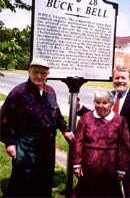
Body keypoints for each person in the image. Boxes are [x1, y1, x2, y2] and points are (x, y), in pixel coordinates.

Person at [0, 57, 75, 198]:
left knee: (45, 178)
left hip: (47, 145)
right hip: (26, 144)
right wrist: (9, 143)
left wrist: (64, 129)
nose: (39, 76)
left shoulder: (50, 91)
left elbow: (56, 113)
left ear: (48, 74)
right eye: (35, 72)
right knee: (24, 181)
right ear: (29, 71)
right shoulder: (19, 92)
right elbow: (3, 119)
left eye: (43, 73)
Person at [77, 65, 130, 198]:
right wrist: (80, 108)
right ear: (113, 80)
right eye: (117, 78)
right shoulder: (108, 96)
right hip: (108, 155)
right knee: (110, 190)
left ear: (129, 79)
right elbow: (99, 114)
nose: (120, 81)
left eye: (123, 78)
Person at [72, 89, 130, 198]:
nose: (100, 106)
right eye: (97, 102)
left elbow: (124, 146)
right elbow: (78, 141)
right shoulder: (86, 118)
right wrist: (77, 164)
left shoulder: (120, 120)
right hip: (88, 167)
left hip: (110, 169)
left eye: (104, 103)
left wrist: (122, 169)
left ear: (111, 104)